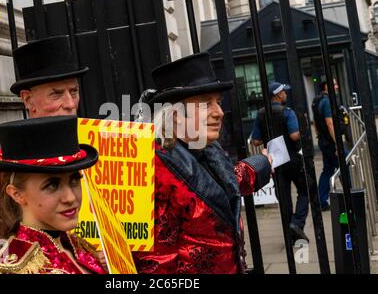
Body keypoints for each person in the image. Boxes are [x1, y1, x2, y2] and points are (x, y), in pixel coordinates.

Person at [133, 52, 272, 274]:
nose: (219, 112)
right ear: (175, 115)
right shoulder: (154, 171)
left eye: (218, 102)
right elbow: (155, 265)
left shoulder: (206, 148)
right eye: (206, 104)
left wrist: (261, 164)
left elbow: (223, 186)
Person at [0, 35, 89, 273]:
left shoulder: (91, 149)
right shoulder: (0, 164)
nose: (69, 103)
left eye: (74, 91)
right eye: (56, 94)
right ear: (28, 99)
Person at [0, 115, 106, 274]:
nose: (70, 198)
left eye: (74, 179)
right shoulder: (16, 269)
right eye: (52, 185)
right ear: (16, 194)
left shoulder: (79, 247)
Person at [250, 82, 310, 243]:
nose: (286, 94)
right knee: (306, 191)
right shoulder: (287, 112)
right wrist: (303, 128)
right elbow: (294, 135)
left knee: (283, 198)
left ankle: (290, 234)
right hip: (292, 158)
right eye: (283, 92)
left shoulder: (261, 114)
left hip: (275, 161)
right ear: (277, 95)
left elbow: (255, 141)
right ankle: (296, 223)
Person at [312, 79, 340, 212]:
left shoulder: (317, 101)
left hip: (323, 141)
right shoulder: (327, 101)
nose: (337, 86)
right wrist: (337, 144)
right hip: (330, 142)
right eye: (334, 84)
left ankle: (321, 200)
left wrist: (319, 136)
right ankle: (351, 195)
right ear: (326, 87)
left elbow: (316, 122)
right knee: (345, 164)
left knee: (328, 170)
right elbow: (330, 124)